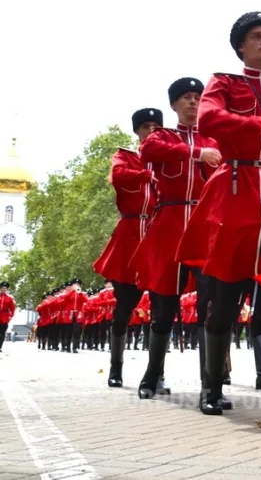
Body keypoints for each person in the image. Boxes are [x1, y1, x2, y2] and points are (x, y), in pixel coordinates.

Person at [178, 11, 261, 431]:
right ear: (240, 46)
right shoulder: (225, 83)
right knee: (224, 301)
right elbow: (210, 120)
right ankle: (211, 386)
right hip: (236, 195)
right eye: (256, 36)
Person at [130, 78, 221, 398]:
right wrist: (198, 153)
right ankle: (152, 376)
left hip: (204, 226)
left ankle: (212, 384)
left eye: (198, 97)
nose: (194, 102)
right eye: (186, 97)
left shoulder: (214, 137)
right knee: (163, 306)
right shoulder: (164, 136)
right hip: (169, 226)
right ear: (174, 105)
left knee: (213, 307)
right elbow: (149, 150)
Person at [95, 108, 162, 383]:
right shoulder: (125, 156)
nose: (152, 131)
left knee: (162, 306)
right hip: (131, 232)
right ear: (138, 131)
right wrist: (145, 174)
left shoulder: (168, 160)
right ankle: (115, 368)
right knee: (125, 306)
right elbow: (118, 177)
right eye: (147, 126)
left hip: (159, 232)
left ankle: (156, 373)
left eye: (157, 126)